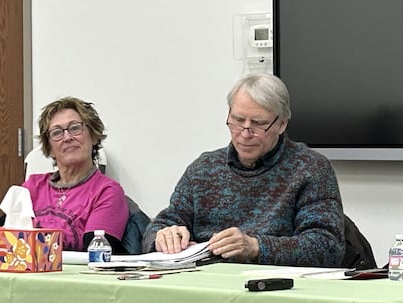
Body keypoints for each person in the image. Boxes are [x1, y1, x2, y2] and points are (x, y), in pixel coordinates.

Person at [143, 73, 345, 266]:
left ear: (282, 123)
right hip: (205, 282)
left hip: (275, 287)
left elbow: (327, 247)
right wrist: (163, 237)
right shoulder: (204, 168)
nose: (245, 133)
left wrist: (256, 247)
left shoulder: (310, 169)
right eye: (238, 120)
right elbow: (161, 225)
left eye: (258, 124)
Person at [0, 97, 129, 252]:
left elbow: (96, 253)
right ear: (49, 148)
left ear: (93, 135)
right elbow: (5, 228)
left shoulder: (107, 191)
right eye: (57, 133)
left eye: (75, 128)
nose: (67, 137)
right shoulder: (33, 186)